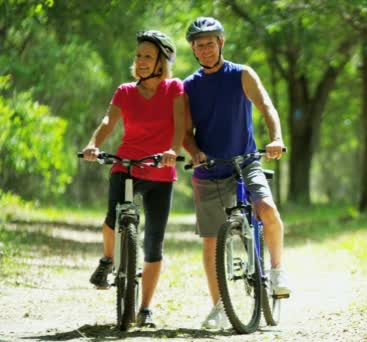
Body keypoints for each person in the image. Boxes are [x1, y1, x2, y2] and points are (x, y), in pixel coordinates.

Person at [182, 17, 291, 330]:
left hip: (246, 161)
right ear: (193, 48)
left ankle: (277, 269)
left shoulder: (242, 74)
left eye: (210, 42)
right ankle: (219, 306)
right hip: (210, 167)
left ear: (221, 43)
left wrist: (276, 138)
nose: (205, 49)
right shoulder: (189, 86)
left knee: (267, 208)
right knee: (210, 241)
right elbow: (184, 132)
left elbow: (267, 106)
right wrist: (195, 152)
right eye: (199, 44)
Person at [81, 30, 184, 328]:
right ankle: (108, 260)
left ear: (161, 62)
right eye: (138, 55)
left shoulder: (175, 88)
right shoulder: (125, 91)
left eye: (147, 56)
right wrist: (93, 144)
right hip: (126, 164)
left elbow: (180, 125)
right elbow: (107, 122)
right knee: (114, 217)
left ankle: (146, 308)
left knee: (153, 242)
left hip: (160, 170)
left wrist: (172, 151)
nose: (140, 61)